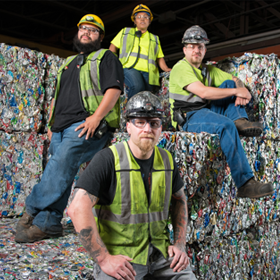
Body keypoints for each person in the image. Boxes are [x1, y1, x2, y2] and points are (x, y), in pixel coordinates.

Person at [15, 14, 124, 243]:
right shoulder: (66, 63)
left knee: (62, 162)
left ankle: (32, 210)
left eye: (92, 30)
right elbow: (59, 96)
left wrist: (96, 117)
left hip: (87, 124)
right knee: (60, 168)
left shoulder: (106, 57)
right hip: (60, 127)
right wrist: (52, 125)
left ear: (100, 37)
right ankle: (50, 222)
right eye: (83, 29)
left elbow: (113, 90)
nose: (86, 32)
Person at [68, 91, 197, 280]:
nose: (147, 129)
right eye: (140, 122)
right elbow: (77, 208)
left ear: (161, 128)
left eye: (154, 123)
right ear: (128, 126)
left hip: (161, 255)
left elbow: (179, 200)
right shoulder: (108, 159)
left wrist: (179, 245)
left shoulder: (167, 161)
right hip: (123, 259)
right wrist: (104, 259)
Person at [169, 25, 274, 199]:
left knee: (229, 84)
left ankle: (239, 120)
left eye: (200, 46)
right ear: (184, 49)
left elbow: (234, 79)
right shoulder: (181, 68)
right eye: (192, 46)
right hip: (190, 117)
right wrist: (237, 93)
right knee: (225, 125)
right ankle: (245, 184)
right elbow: (203, 92)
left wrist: (240, 88)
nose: (196, 50)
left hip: (205, 110)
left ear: (204, 50)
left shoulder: (207, 69)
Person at [109, 4, 171, 100]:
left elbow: (159, 57)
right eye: (139, 17)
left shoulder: (154, 38)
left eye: (146, 17)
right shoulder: (125, 32)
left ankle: (144, 114)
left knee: (148, 95)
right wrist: (114, 65)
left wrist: (166, 68)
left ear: (149, 21)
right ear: (135, 20)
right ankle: (131, 112)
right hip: (129, 68)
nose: (142, 19)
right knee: (137, 86)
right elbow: (112, 48)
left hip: (149, 72)